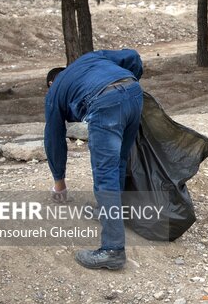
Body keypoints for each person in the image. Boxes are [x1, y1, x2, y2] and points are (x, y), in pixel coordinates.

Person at [45, 49, 144, 270]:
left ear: (52, 83)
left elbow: (54, 138)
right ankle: (110, 212)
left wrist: (59, 182)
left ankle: (113, 250)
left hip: (104, 102)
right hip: (134, 92)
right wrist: (130, 81)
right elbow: (133, 57)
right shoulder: (90, 59)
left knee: (104, 174)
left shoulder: (54, 91)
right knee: (118, 162)